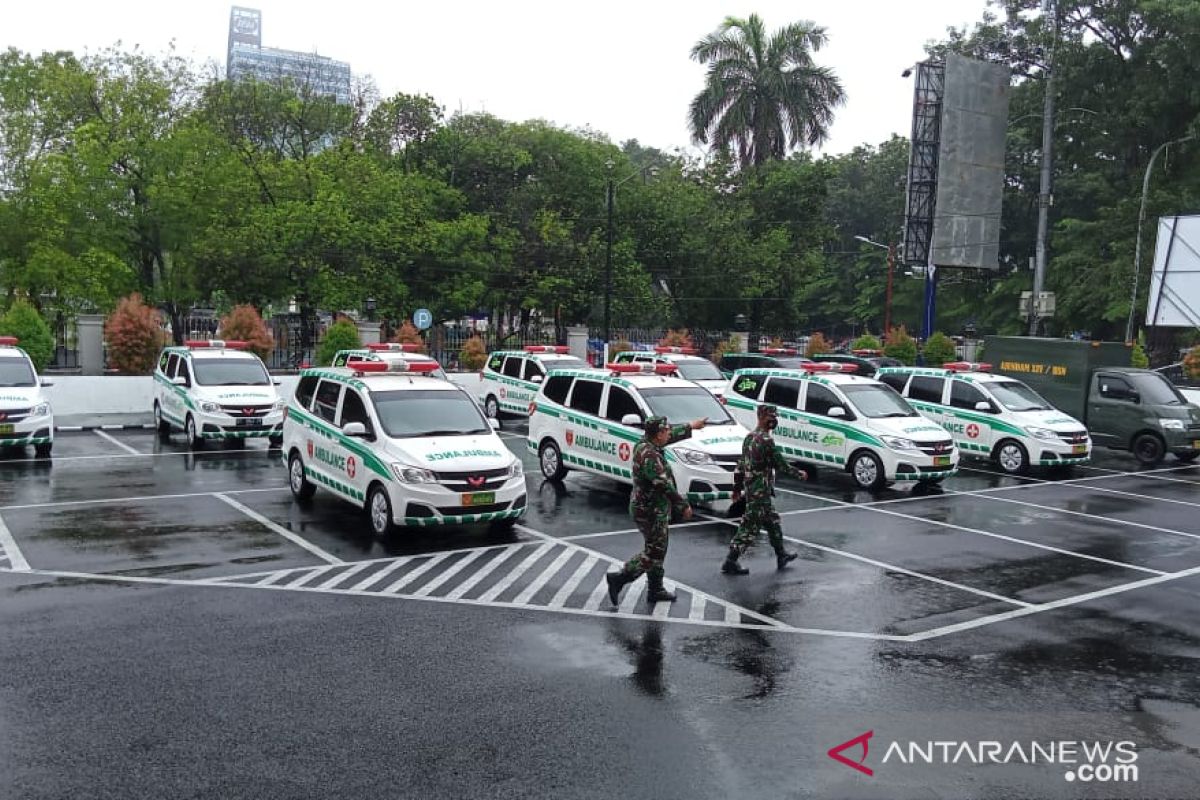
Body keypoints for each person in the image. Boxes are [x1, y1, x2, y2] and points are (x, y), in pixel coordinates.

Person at [606, 415, 707, 605]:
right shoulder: (649, 455)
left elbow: (671, 435)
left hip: (651, 508)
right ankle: (620, 578)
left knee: (657, 548)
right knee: (654, 552)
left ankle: (655, 588)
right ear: (658, 434)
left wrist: (691, 425)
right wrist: (682, 504)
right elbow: (663, 484)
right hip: (649, 511)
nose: (669, 433)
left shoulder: (647, 444)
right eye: (666, 430)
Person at [722, 404, 807, 575]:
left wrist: (737, 488)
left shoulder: (749, 438)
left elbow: (740, 466)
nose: (774, 420)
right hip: (759, 492)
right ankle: (730, 561)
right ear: (761, 417)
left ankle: (781, 554)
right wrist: (798, 474)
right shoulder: (765, 440)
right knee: (749, 527)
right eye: (770, 417)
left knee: (773, 522)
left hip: (757, 490)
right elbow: (779, 463)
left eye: (775, 417)